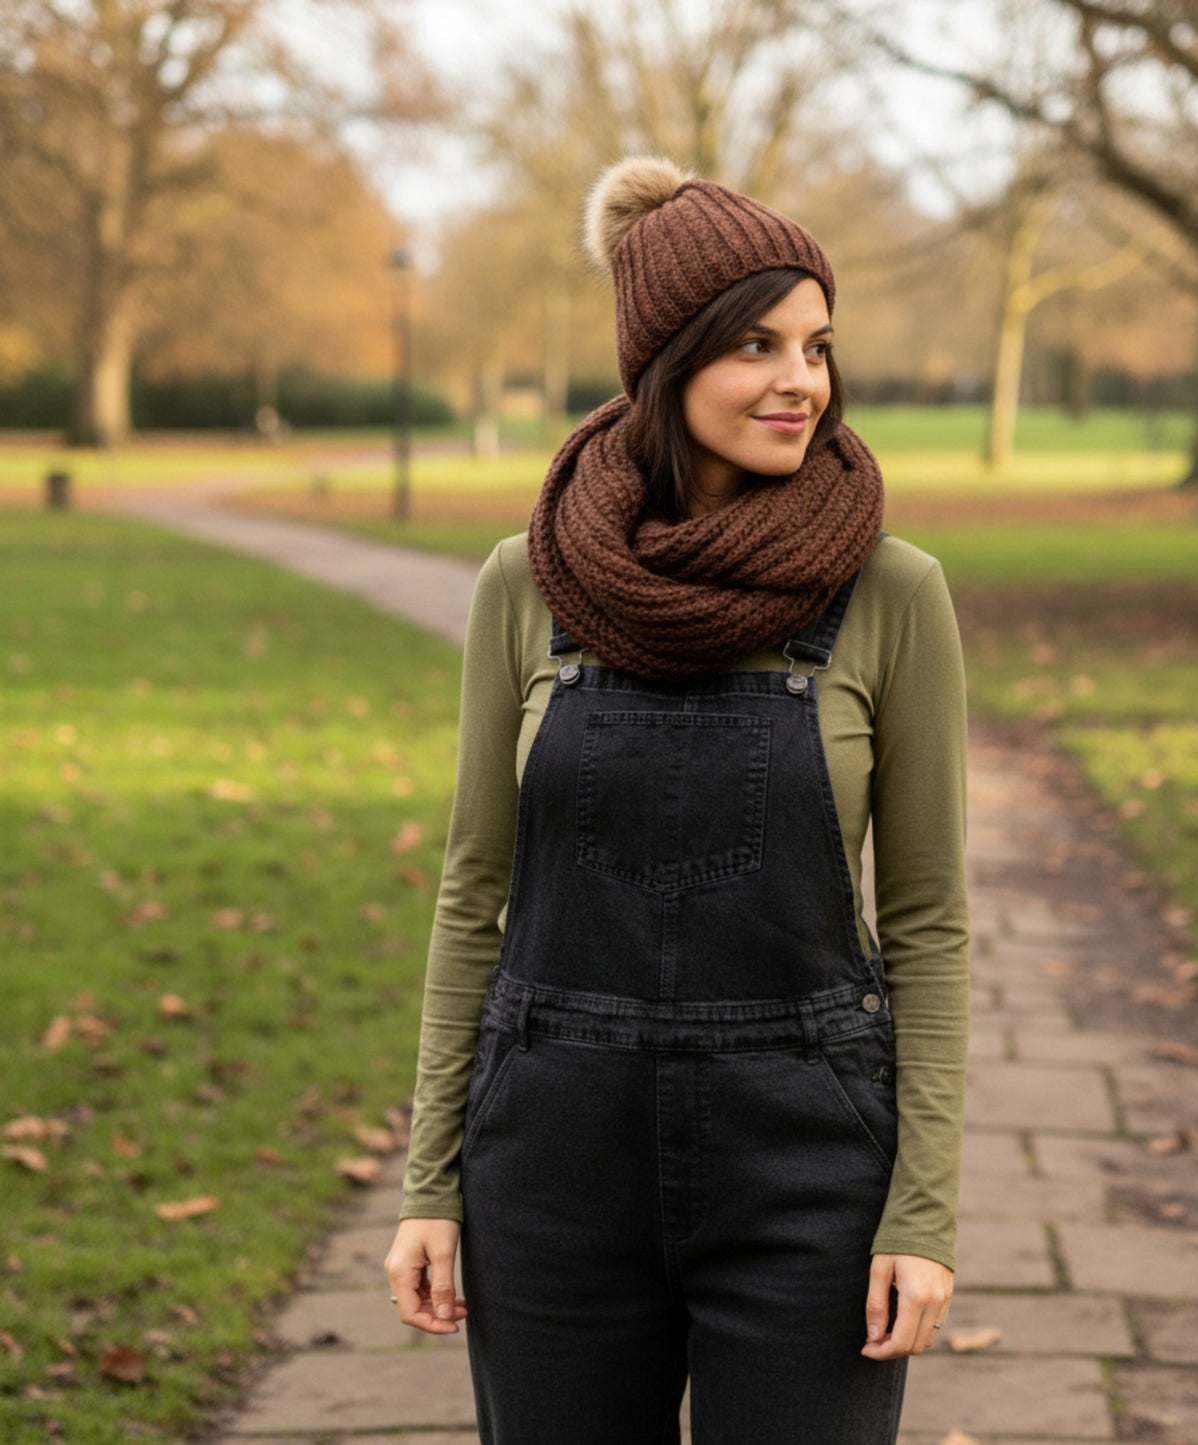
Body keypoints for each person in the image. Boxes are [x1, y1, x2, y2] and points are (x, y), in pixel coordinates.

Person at [385, 155, 970, 1444]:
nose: (800, 380)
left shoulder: (892, 592)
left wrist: (921, 1214)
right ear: (663, 361)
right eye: (757, 344)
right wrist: (432, 1181)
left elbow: (930, 924)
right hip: (550, 1163)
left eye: (817, 346)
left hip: (805, 1168)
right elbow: (474, 895)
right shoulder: (525, 584)